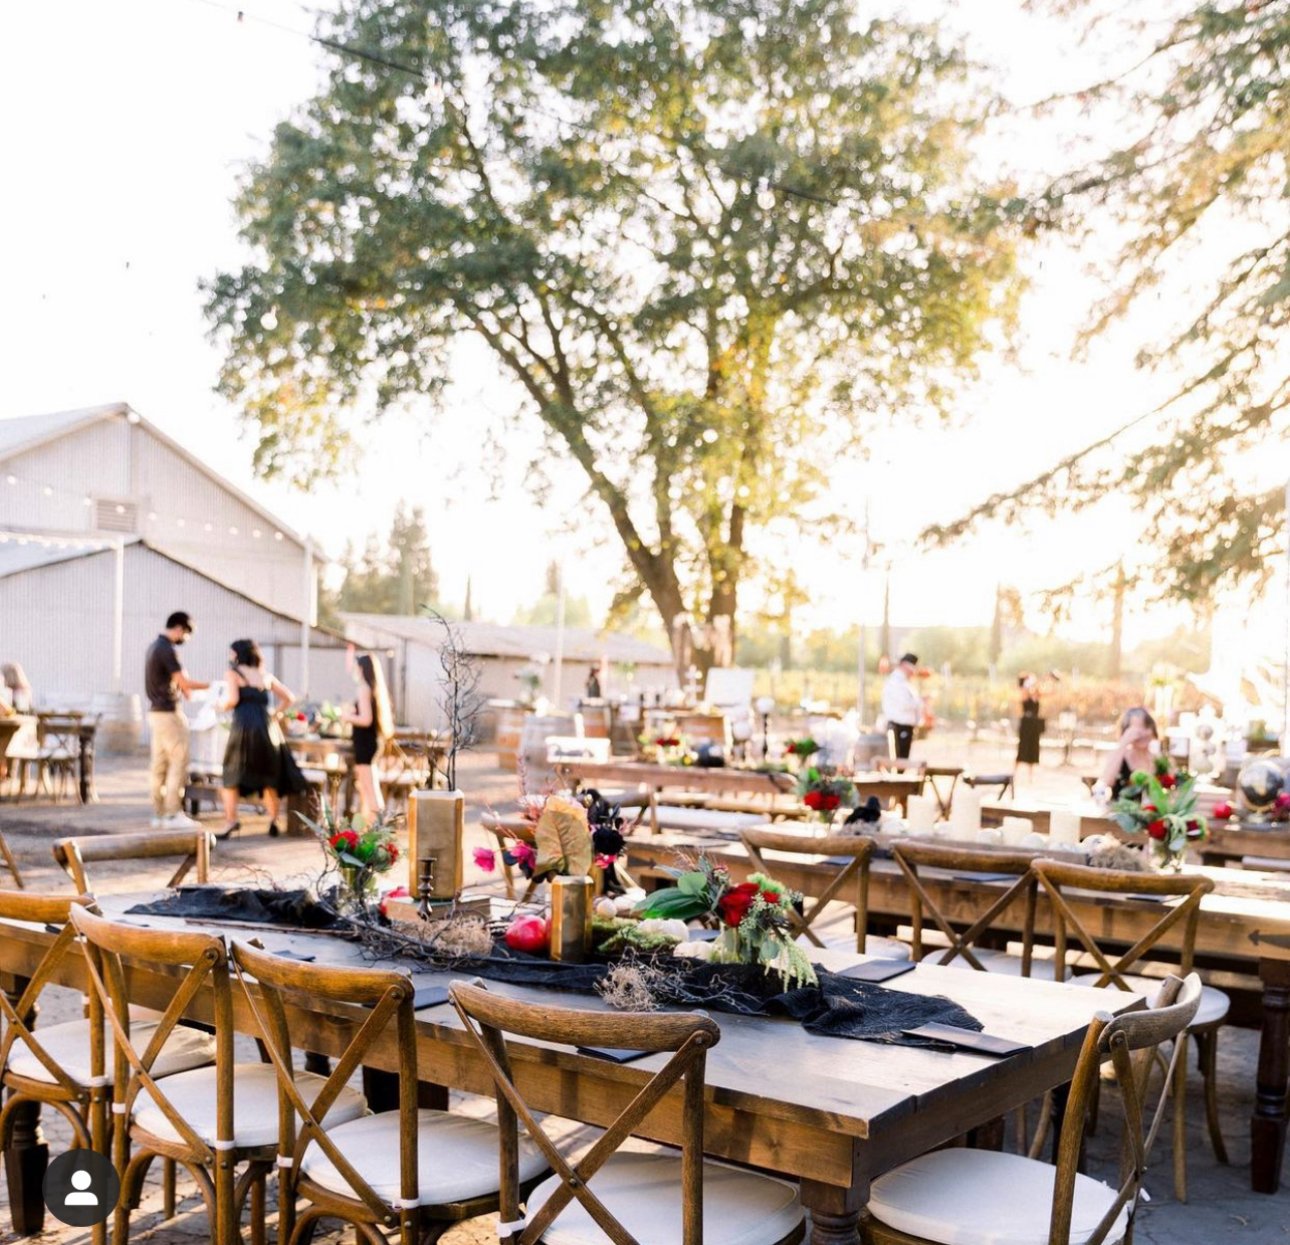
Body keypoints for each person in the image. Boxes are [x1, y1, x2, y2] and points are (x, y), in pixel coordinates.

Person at [218, 639, 298, 838]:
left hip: (243, 729)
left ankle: (231, 822)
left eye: (231, 653)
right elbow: (289, 698)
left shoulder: (233, 674)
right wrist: (275, 714)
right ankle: (273, 820)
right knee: (269, 776)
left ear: (238, 654)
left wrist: (221, 706)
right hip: (267, 730)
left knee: (231, 775)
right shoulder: (265, 675)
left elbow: (233, 700)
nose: (230, 657)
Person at [145, 612, 209, 829]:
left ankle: (159, 813)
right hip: (169, 714)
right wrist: (214, 686)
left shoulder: (154, 647)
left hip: (155, 714)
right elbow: (184, 682)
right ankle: (173, 813)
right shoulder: (168, 650)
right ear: (180, 628)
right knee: (178, 762)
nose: (186, 639)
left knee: (159, 764)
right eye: (187, 634)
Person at [341, 653, 394, 824]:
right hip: (370, 742)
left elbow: (366, 719)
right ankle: (370, 826)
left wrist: (347, 716)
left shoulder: (363, 688)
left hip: (365, 744)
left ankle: (378, 827)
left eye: (356, 667)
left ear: (362, 668)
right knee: (367, 788)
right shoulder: (372, 688)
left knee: (369, 789)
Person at [1099, 706, 1162, 799]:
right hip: (1122, 811)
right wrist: (1123, 743)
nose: (1143, 733)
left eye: (1146, 727)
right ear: (1126, 732)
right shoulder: (1119, 757)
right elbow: (1106, 781)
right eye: (1136, 730)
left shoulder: (1159, 759)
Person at [881, 653, 923, 760]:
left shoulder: (903, 682)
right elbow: (905, 704)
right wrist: (920, 701)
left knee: (902, 759)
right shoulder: (896, 682)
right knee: (899, 760)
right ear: (904, 666)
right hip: (899, 726)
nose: (912, 673)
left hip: (905, 726)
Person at [1015, 674, 1045, 782]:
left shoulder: (1036, 695)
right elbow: (1024, 691)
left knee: (1033, 750)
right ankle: (1014, 773)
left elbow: (1045, 691)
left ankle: (1030, 776)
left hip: (1034, 726)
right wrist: (1029, 683)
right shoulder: (1025, 695)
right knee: (1023, 748)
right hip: (1026, 726)